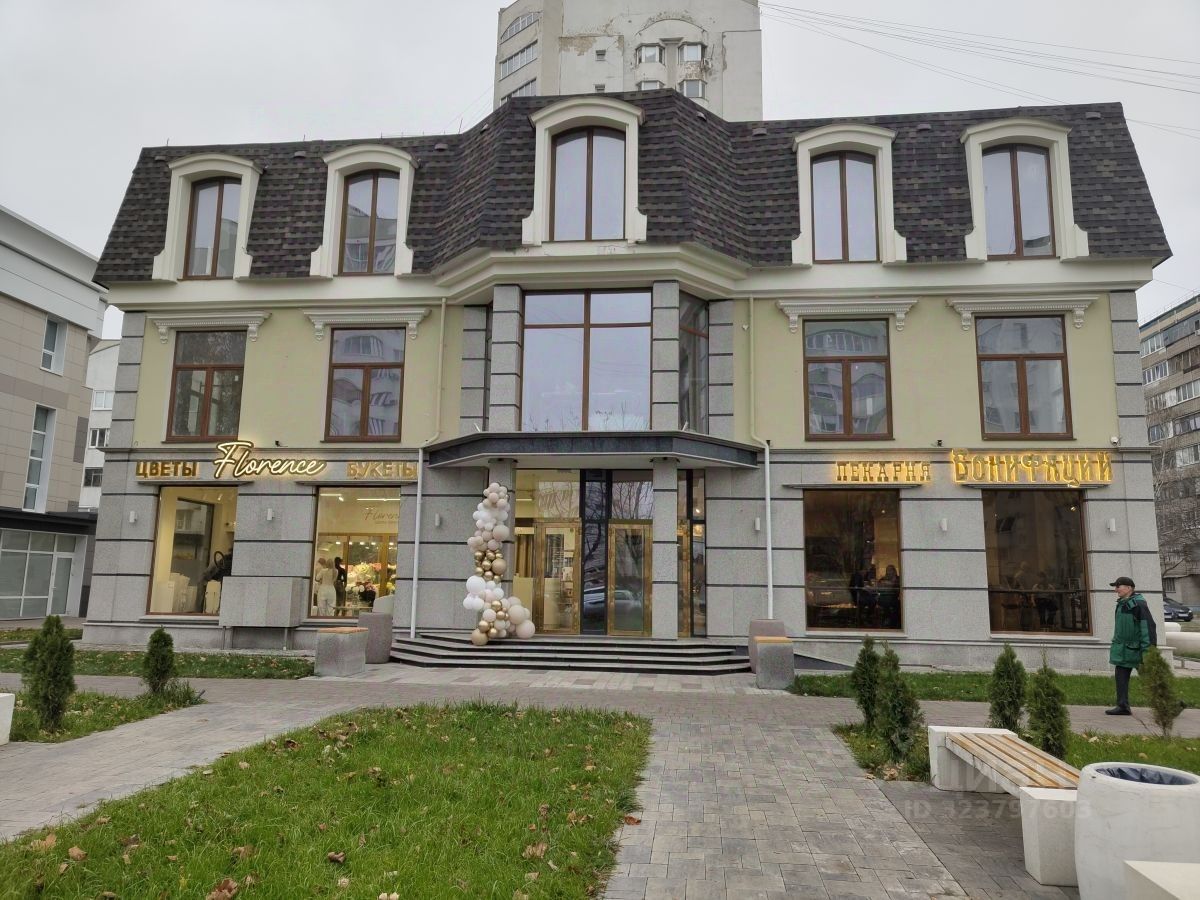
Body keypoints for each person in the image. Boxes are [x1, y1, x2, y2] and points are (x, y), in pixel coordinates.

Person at [1106, 576, 1152, 716]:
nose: (1116, 590)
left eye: (1118, 586)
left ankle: (1172, 704)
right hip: (1123, 650)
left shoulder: (1138, 605)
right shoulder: (1122, 604)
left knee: (1151, 680)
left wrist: (1147, 651)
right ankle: (1123, 706)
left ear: (1129, 588)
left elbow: (1147, 628)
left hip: (1137, 651)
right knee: (1120, 678)